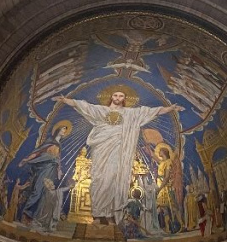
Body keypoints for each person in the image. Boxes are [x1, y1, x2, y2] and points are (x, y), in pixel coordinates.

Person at [54, 89, 183, 225]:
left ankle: (110, 215)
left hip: (118, 152)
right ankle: (97, 215)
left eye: (121, 95)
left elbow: (151, 111)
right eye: (115, 95)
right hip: (101, 150)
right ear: (111, 96)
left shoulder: (130, 114)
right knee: (99, 179)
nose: (117, 97)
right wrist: (65, 100)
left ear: (124, 98)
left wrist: (170, 108)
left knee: (114, 179)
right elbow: (83, 106)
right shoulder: (101, 111)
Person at [18, 121, 72, 226]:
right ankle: (25, 213)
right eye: (62, 129)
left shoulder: (59, 145)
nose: (64, 132)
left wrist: (59, 170)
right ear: (57, 130)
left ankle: (37, 216)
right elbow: (38, 152)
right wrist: (26, 159)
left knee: (46, 193)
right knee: (37, 190)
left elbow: (58, 158)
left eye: (65, 130)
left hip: (52, 169)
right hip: (44, 168)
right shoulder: (50, 141)